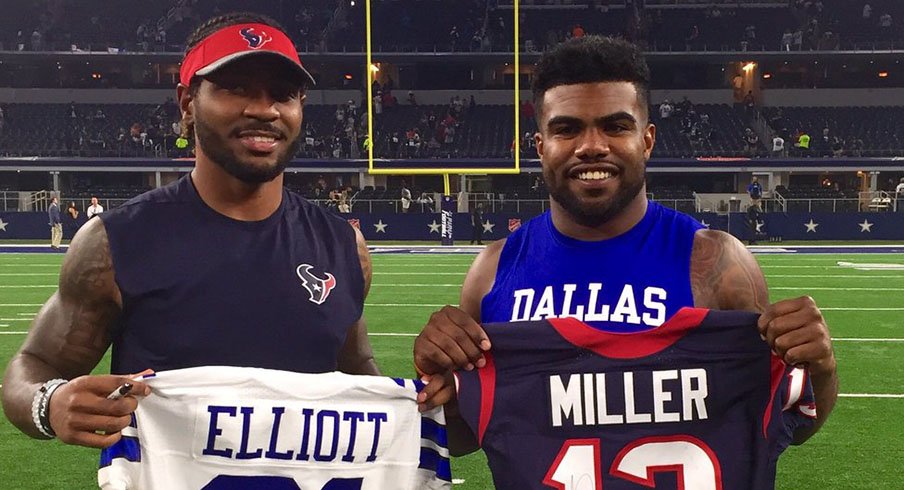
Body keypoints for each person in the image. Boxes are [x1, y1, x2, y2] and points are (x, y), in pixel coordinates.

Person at [413, 35, 836, 470]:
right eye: (567, 128)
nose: (592, 145)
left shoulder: (716, 262)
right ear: (540, 146)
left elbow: (785, 422)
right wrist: (437, 383)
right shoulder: (493, 269)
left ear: (647, 140)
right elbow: (468, 433)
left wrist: (819, 367)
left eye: (615, 126)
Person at [2, 12, 379, 450]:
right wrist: (49, 402)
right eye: (236, 87)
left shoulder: (343, 245)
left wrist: (425, 395)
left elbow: (360, 371)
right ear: (187, 103)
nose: (263, 109)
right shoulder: (114, 243)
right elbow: (35, 364)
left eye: (283, 93)